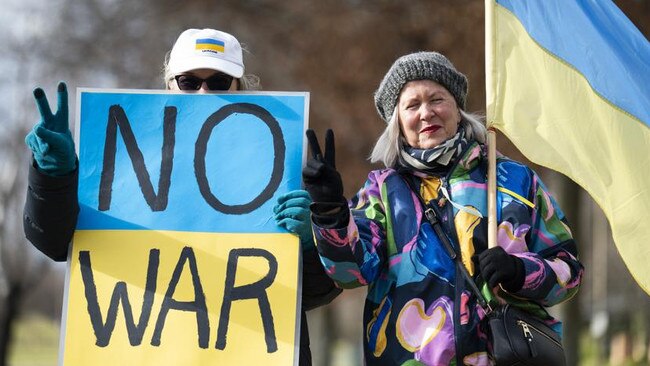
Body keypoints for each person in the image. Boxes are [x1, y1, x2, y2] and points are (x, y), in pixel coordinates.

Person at [23, 28, 339, 366]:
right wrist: (54, 177)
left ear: (240, 87)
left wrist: (315, 240)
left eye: (218, 82)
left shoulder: (283, 166)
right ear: (169, 84)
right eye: (189, 81)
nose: (203, 92)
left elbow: (316, 292)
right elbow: (53, 242)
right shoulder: (120, 157)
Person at [302, 51, 583, 365]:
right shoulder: (381, 191)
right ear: (398, 122)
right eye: (412, 105)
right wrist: (330, 212)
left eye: (436, 99)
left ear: (458, 109)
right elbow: (350, 272)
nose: (426, 113)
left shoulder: (515, 181)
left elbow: (568, 273)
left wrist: (520, 271)